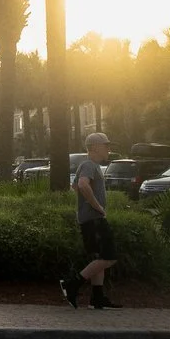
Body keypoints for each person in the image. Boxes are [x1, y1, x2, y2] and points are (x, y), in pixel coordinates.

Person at [61, 132, 120, 310]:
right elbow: (82, 185)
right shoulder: (89, 165)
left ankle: (97, 298)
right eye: (105, 145)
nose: (109, 149)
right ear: (94, 148)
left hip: (89, 218)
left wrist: (86, 204)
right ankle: (72, 284)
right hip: (94, 219)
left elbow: (74, 186)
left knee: (99, 257)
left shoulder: (86, 165)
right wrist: (97, 207)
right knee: (110, 257)